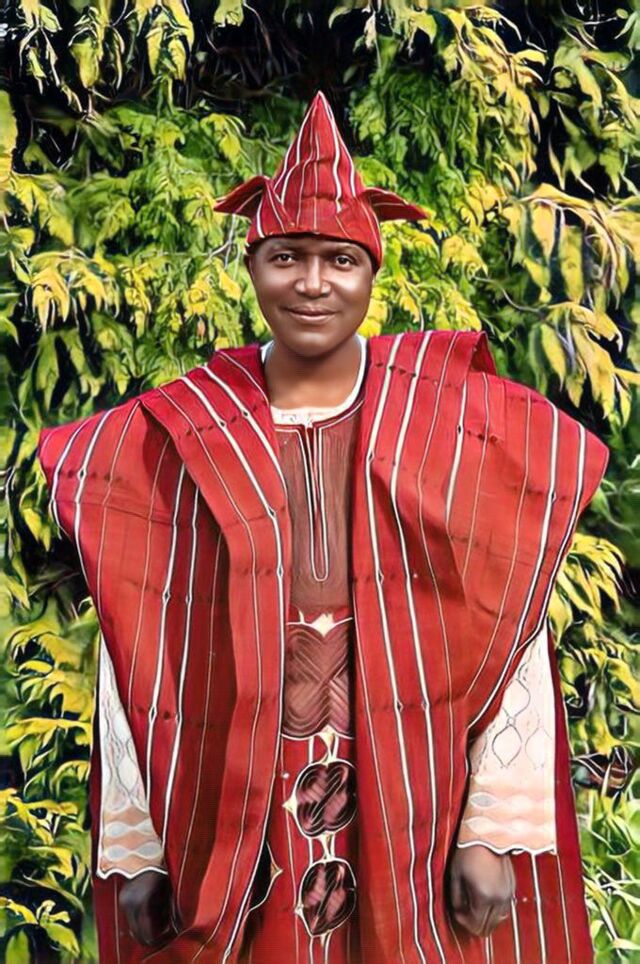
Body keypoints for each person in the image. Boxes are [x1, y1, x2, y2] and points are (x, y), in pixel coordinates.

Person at [37, 91, 608, 963]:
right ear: (251, 265)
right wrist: (137, 843)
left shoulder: (456, 420)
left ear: (373, 272)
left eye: (340, 259)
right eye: (286, 257)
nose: (312, 284)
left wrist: (493, 825)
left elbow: (512, 627)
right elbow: (136, 650)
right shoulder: (172, 436)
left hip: (418, 793)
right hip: (232, 812)